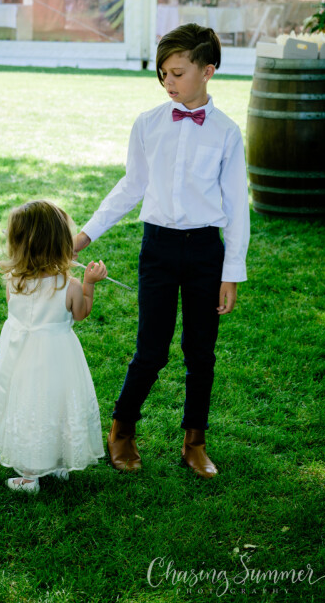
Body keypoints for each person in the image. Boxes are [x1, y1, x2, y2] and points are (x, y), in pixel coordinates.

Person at [75, 23, 250, 479]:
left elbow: (237, 207)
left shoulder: (227, 133)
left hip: (205, 253)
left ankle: (195, 442)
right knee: (151, 349)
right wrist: (84, 236)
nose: (167, 82)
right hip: (158, 248)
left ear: (207, 70)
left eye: (177, 73)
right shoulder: (149, 124)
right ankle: (122, 430)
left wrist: (231, 272)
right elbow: (130, 185)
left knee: (201, 352)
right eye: (162, 74)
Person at [0, 200, 108, 493]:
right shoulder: (69, 285)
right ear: (60, 244)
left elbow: (18, 315)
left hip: (20, 358)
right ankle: (56, 462)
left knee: (28, 406)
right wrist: (89, 284)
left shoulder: (13, 280)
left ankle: (31, 474)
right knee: (57, 405)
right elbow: (81, 313)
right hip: (57, 359)